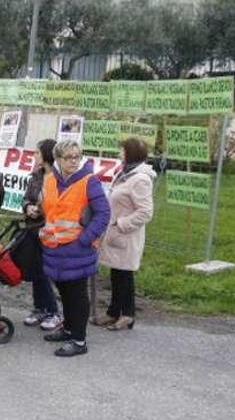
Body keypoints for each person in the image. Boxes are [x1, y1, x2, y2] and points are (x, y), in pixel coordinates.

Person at [39, 139, 110, 357]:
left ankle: (79, 340)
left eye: (77, 156)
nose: (73, 161)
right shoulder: (49, 180)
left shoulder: (89, 181)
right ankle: (69, 329)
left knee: (77, 295)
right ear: (58, 159)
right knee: (65, 292)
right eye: (68, 157)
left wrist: (85, 239)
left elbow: (103, 213)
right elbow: (49, 209)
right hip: (54, 247)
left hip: (77, 248)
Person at [96, 138, 155, 331]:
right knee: (116, 273)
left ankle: (128, 315)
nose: (119, 153)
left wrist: (121, 224)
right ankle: (113, 312)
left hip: (126, 235)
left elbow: (145, 212)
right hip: (116, 234)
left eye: (122, 150)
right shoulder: (126, 173)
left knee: (125, 275)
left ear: (131, 153)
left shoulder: (140, 179)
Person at [18, 139, 62, 331]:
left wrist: (42, 212)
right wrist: (28, 207)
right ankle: (39, 307)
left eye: (37, 152)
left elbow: (59, 206)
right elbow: (27, 197)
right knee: (35, 269)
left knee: (46, 271)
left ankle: (54, 311)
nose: (34, 156)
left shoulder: (59, 178)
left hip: (49, 230)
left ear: (46, 155)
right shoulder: (36, 175)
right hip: (32, 227)